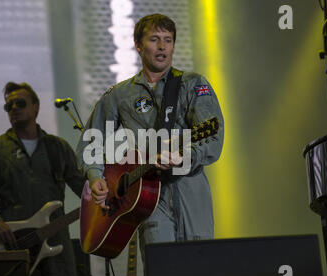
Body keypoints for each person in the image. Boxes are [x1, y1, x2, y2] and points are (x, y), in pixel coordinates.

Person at [76, 14, 224, 261]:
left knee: (201, 270)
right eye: (155, 39)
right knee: (162, 271)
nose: (163, 46)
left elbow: (213, 138)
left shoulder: (193, 84)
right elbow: (92, 139)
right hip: (147, 199)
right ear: (138, 45)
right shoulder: (119, 94)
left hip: (190, 190)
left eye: (168, 40)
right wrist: (95, 176)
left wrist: (184, 157)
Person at [0, 82, 86, 276]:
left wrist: (107, 191)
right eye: (9, 106)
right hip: (14, 246)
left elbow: (85, 189)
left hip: (56, 244)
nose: (14, 108)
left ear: (36, 106)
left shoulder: (58, 147)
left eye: (20, 103)